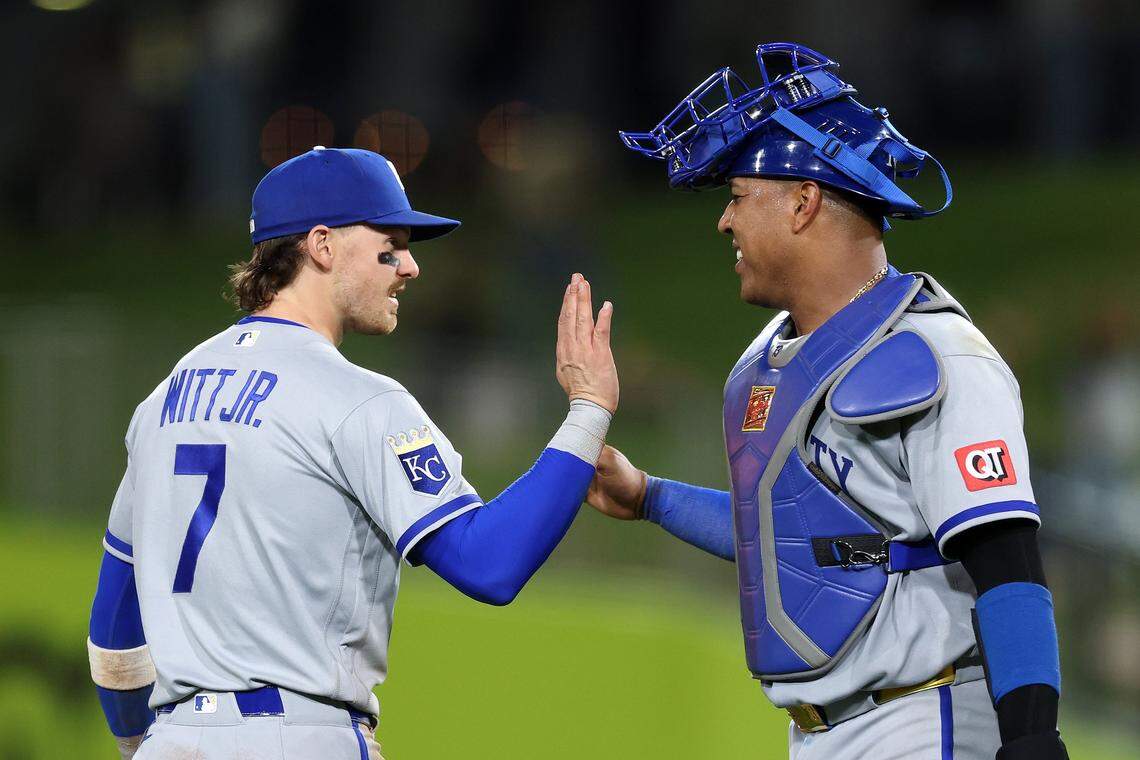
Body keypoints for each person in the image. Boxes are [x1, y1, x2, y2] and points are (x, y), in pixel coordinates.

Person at [591, 43, 1066, 760]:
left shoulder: (934, 356)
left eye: (737, 195)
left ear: (803, 202)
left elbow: (1009, 562)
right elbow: (792, 537)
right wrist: (651, 496)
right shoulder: (774, 357)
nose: (724, 222)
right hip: (822, 734)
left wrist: (1032, 739)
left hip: (925, 720)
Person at [86, 146, 619, 759]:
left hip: (173, 741)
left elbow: (114, 637)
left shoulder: (162, 402)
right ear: (322, 246)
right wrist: (588, 411)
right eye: (390, 246)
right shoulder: (357, 400)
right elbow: (489, 564)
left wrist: (147, 744)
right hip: (298, 738)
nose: (410, 267)